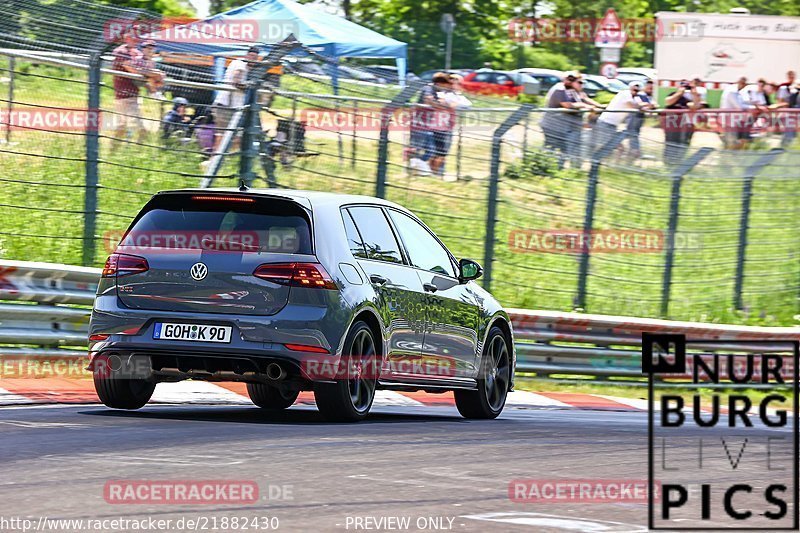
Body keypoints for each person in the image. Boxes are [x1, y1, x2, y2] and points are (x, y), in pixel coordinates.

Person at [213, 46, 258, 151]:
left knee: (235, 137)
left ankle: (222, 160)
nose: (252, 59)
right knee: (222, 136)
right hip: (225, 105)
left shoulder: (245, 67)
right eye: (251, 56)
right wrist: (249, 88)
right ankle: (214, 161)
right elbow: (236, 80)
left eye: (255, 58)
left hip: (233, 106)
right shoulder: (240, 64)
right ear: (246, 55)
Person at [541, 72, 589, 168]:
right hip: (552, 125)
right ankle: (546, 167)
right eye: (579, 82)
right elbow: (567, 105)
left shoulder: (570, 91)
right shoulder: (560, 89)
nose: (581, 84)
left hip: (560, 126)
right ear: (571, 82)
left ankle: (554, 168)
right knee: (553, 148)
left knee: (561, 149)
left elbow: (583, 100)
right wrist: (583, 105)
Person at [111, 31, 146, 145]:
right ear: (126, 38)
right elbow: (133, 69)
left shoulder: (135, 52)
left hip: (133, 95)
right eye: (133, 38)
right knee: (140, 130)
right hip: (124, 97)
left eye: (137, 38)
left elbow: (146, 64)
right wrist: (151, 75)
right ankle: (137, 156)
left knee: (123, 128)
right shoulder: (121, 52)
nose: (136, 40)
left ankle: (114, 154)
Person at [594, 81, 642, 154]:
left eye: (637, 90)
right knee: (608, 146)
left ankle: (609, 162)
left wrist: (644, 106)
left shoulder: (635, 97)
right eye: (634, 89)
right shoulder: (625, 93)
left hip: (613, 124)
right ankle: (596, 160)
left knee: (617, 147)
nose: (635, 91)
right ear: (630, 87)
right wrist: (643, 106)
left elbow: (641, 105)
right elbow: (632, 106)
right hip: (606, 122)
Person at [663, 80, 702, 164]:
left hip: (683, 125)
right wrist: (679, 93)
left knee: (683, 143)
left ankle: (679, 162)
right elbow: (668, 101)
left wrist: (694, 94)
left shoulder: (687, 99)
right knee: (671, 142)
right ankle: (668, 162)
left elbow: (695, 106)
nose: (685, 89)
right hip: (671, 124)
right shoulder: (673, 94)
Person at [719, 77, 754, 149]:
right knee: (731, 142)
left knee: (731, 141)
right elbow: (739, 106)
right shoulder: (732, 91)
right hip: (730, 120)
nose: (743, 85)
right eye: (742, 83)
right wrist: (754, 108)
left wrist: (754, 105)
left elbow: (742, 103)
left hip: (733, 120)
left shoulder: (736, 91)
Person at [625, 80, 655, 158]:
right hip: (634, 116)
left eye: (637, 88)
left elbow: (646, 105)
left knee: (633, 134)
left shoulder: (640, 95)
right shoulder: (632, 95)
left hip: (638, 117)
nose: (636, 90)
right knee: (632, 134)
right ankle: (633, 152)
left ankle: (634, 152)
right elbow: (640, 105)